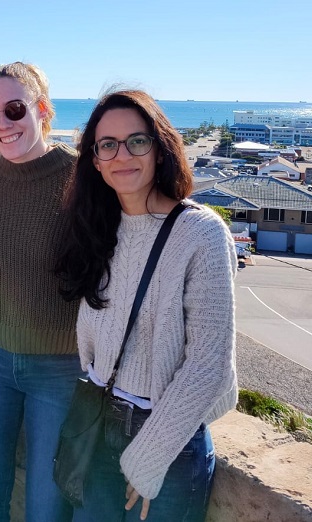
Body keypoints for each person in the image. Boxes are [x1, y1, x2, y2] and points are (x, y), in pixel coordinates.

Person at [55, 90, 238, 521]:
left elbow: (209, 362)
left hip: (166, 439)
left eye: (137, 140)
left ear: (160, 148)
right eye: (108, 145)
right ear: (95, 161)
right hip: (99, 425)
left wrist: (150, 456)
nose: (123, 154)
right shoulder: (99, 229)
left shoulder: (201, 234)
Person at [0, 62, 83, 522]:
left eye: (14, 109)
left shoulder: (83, 179)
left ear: (43, 109)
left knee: (47, 508)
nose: (2, 125)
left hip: (60, 366)